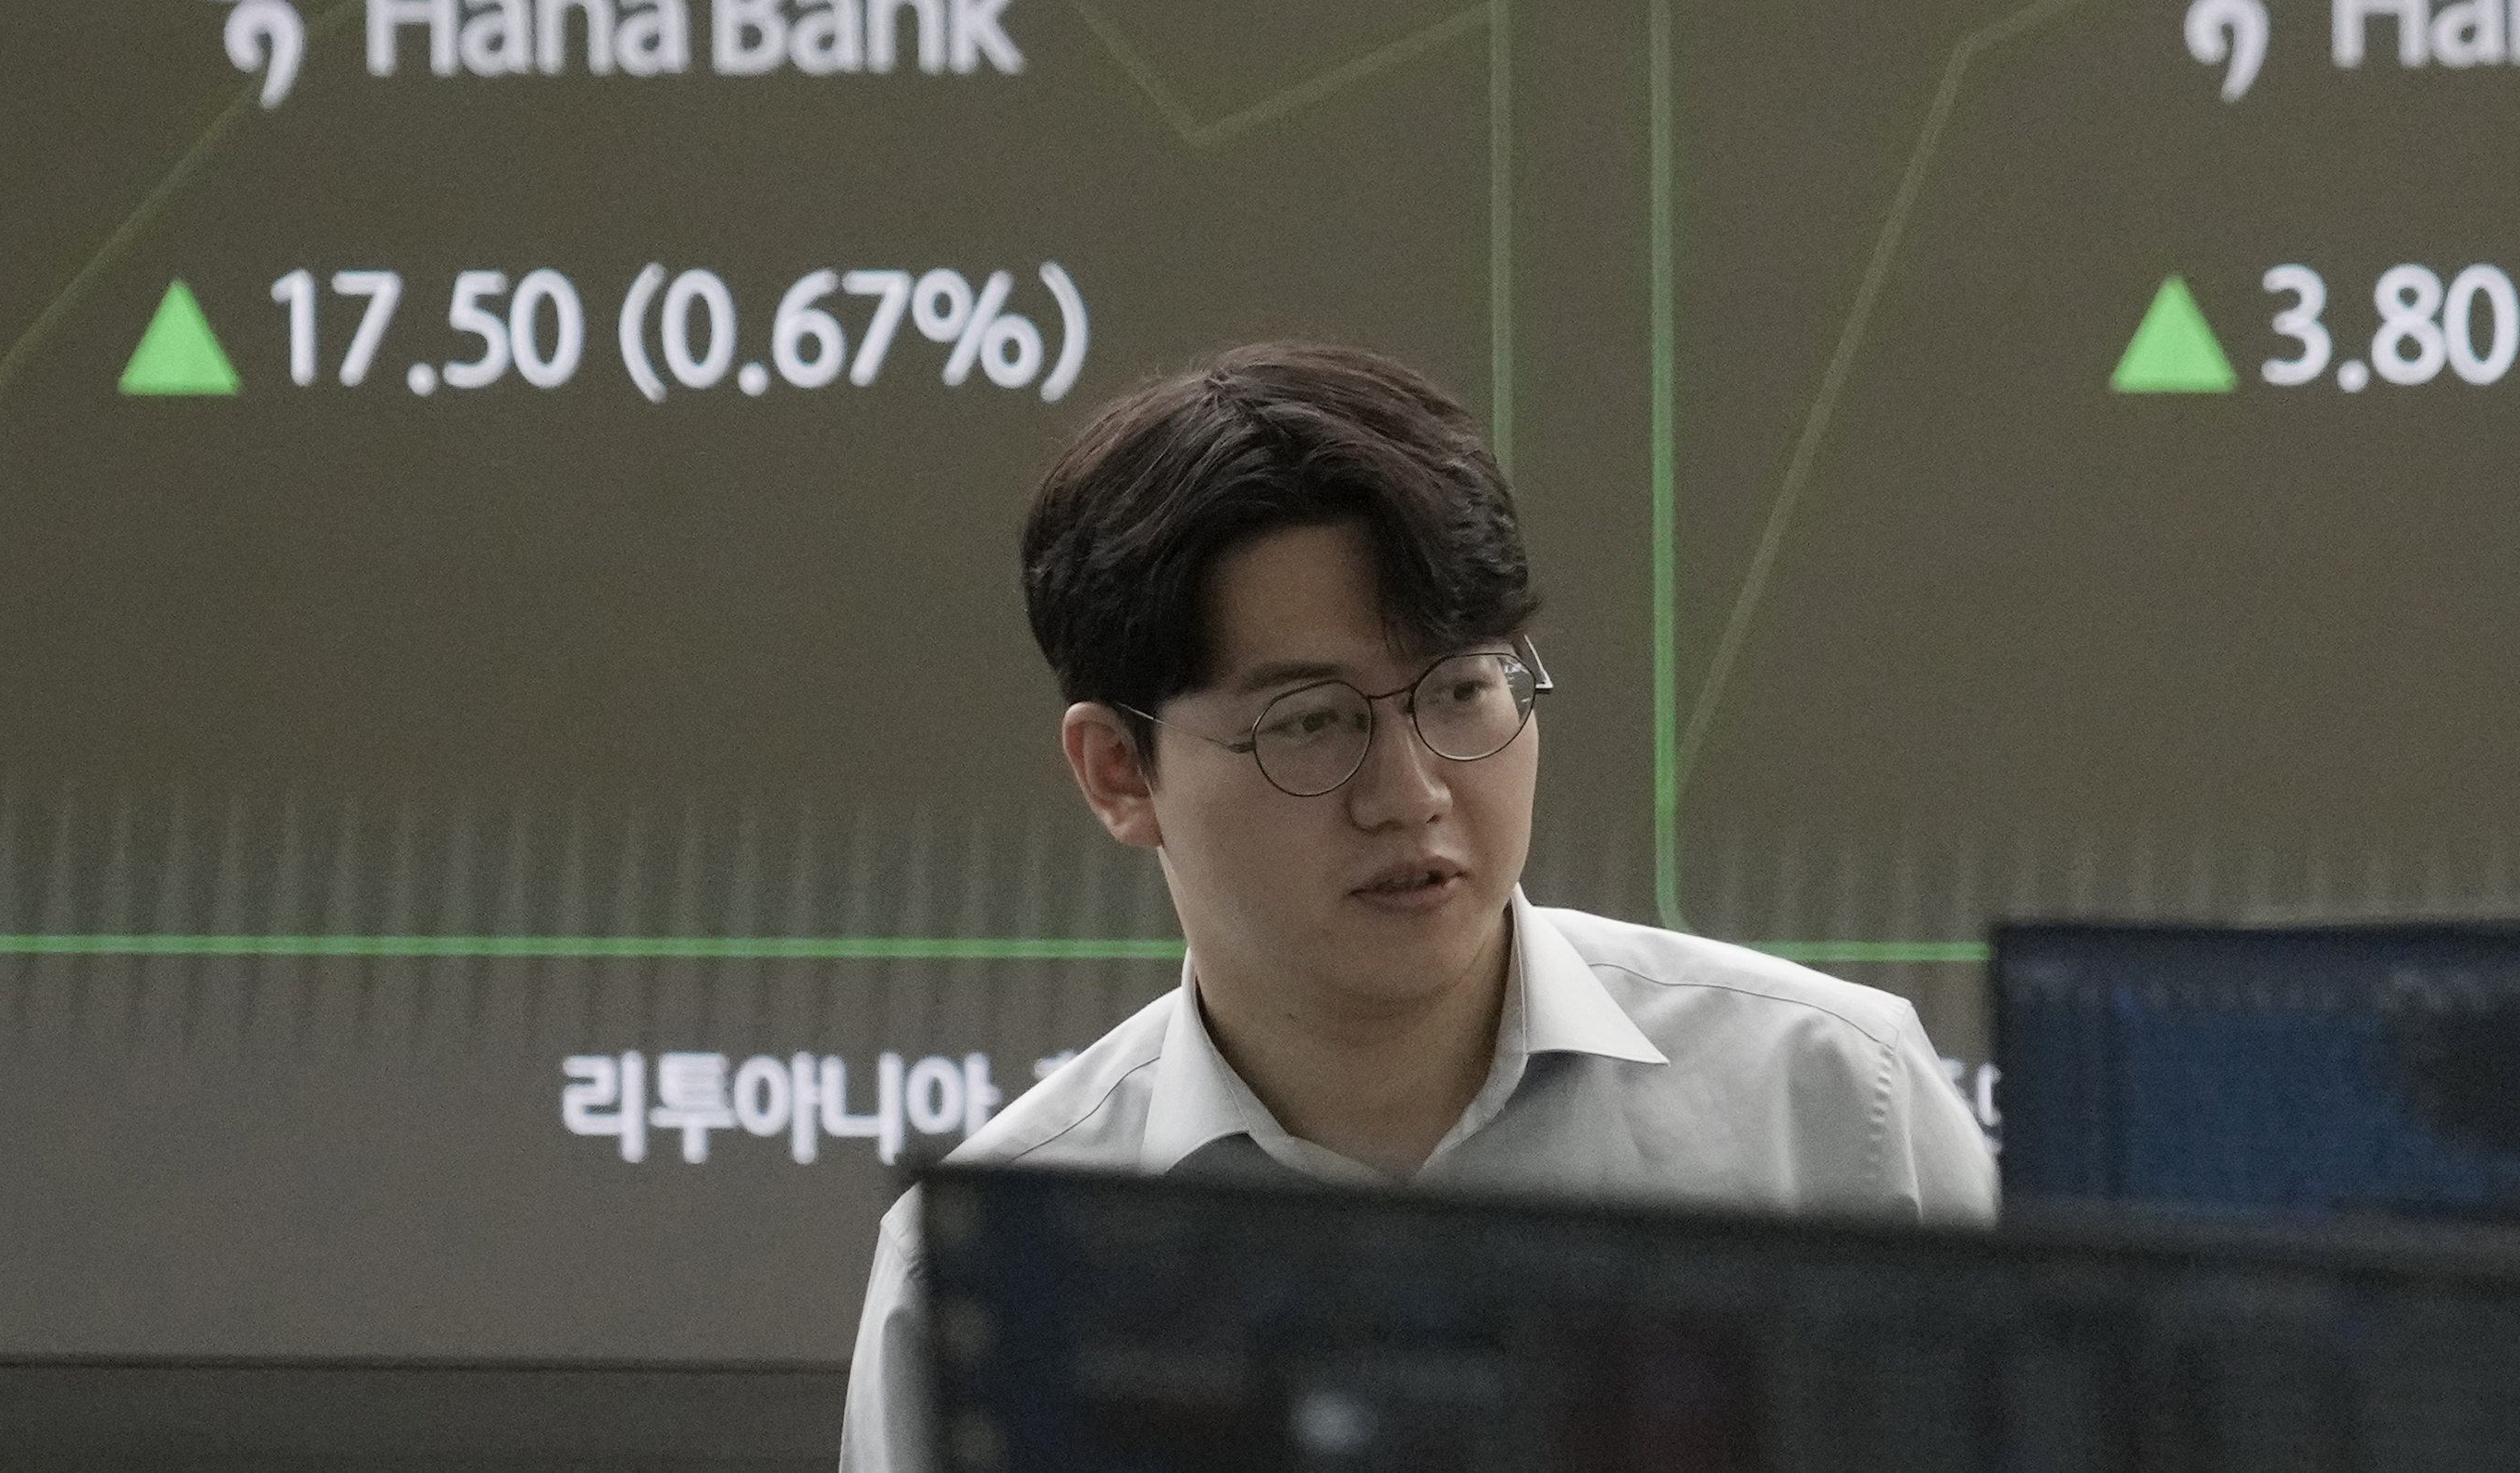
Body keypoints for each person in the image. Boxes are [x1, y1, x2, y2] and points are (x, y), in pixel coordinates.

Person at [839, 341, 1994, 1473]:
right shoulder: (991, 1277)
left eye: (1461, 689)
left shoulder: (1836, 1104)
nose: (1413, 793)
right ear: (1119, 773)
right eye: (1310, 721)